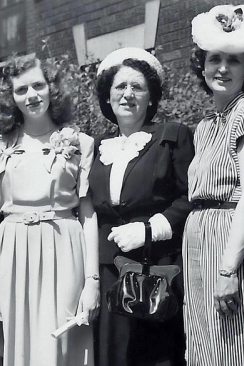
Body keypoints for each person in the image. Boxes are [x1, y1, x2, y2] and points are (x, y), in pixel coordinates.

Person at [0, 54, 99, 366]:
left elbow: (87, 215)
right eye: (21, 90)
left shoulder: (81, 143)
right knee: (16, 346)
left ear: (52, 89)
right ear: (11, 98)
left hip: (64, 249)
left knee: (60, 344)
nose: (31, 95)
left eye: (38, 86)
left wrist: (92, 281)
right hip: (13, 254)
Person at [89, 47, 194, 366]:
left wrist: (150, 229)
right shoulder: (94, 146)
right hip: (110, 271)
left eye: (137, 87)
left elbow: (192, 197)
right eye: (120, 86)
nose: (128, 94)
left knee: (157, 356)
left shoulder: (171, 136)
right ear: (107, 97)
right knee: (114, 355)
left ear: (151, 97)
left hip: (157, 268)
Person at [182, 5, 244, 366]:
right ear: (201, 66)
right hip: (199, 241)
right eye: (213, 59)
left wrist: (228, 270)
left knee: (236, 346)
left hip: (230, 242)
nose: (222, 68)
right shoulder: (204, 125)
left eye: (233, 60)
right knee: (205, 346)